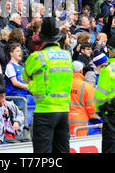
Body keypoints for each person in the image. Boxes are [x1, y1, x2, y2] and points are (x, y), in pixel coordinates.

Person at [23, 17, 73, 153]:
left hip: (44, 111)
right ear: (58, 37)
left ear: (42, 37)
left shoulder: (37, 57)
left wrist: (33, 86)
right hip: (63, 111)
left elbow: (25, 76)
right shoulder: (67, 56)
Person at [69, 60, 97, 137]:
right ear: (81, 70)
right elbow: (91, 107)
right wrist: (92, 116)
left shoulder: (63, 84)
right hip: (80, 122)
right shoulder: (87, 86)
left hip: (63, 119)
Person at [5, 42, 29, 110]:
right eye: (17, 51)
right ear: (11, 53)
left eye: (20, 51)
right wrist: (29, 86)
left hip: (24, 94)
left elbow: (25, 80)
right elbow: (15, 82)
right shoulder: (10, 66)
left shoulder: (21, 67)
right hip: (16, 96)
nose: (20, 53)